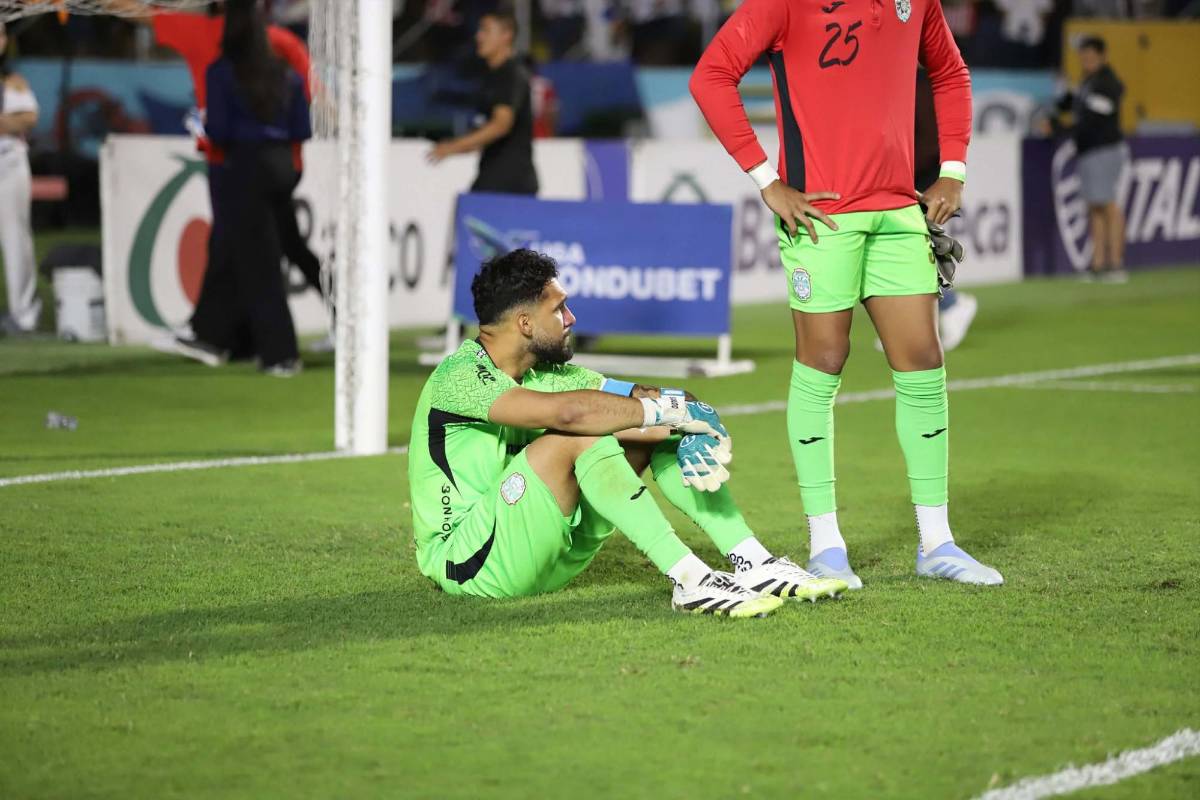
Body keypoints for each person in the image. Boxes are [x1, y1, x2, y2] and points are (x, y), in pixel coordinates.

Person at [690, 0, 1004, 588]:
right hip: (822, 215)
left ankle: (937, 541)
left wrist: (954, 168)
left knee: (923, 362)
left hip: (898, 211)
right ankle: (825, 544)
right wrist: (767, 180)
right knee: (824, 361)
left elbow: (952, 74)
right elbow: (711, 76)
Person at [408, 249, 849, 613]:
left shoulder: (549, 374)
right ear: (524, 323)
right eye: (558, 309)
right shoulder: (460, 376)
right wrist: (669, 412)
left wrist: (689, 417)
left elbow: (646, 399)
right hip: (467, 562)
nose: (572, 318)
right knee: (585, 430)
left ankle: (753, 560)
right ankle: (690, 579)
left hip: (550, 554)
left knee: (645, 422)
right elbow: (571, 417)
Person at [200, 0, 311, 375]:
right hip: (282, 166)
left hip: (245, 167)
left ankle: (281, 354)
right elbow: (302, 128)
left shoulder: (221, 72)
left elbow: (218, 131)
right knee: (246, 254)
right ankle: (223, 337)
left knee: (259, 265)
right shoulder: (284, 73)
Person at [427, 7, 538, 196]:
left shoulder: (510, 74)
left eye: (486, 30)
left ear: (506, 35)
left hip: (510, 184)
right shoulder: (490, 77)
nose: (479, 37)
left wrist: (453, 146)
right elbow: (485, 131)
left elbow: (501, 124)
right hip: (493, 178)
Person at [1059, 35, 1129, 282]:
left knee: (1108, 204)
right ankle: (1098, 264)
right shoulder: (1088, 82)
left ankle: (1116, 264)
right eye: (1083, 55)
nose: (1086, 60)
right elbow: (1073, 108)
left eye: (1090, 55)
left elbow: (1093, 118)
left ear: (1101, 56)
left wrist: (1062, 127)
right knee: (1095, 206)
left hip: (1104, 148)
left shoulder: (1108, 82)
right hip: (1090, 150)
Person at [0, 21, 41, 336]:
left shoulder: (11, 80)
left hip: (7, 163)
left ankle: (23, 314)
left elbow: (28, 117)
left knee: (15, 238)